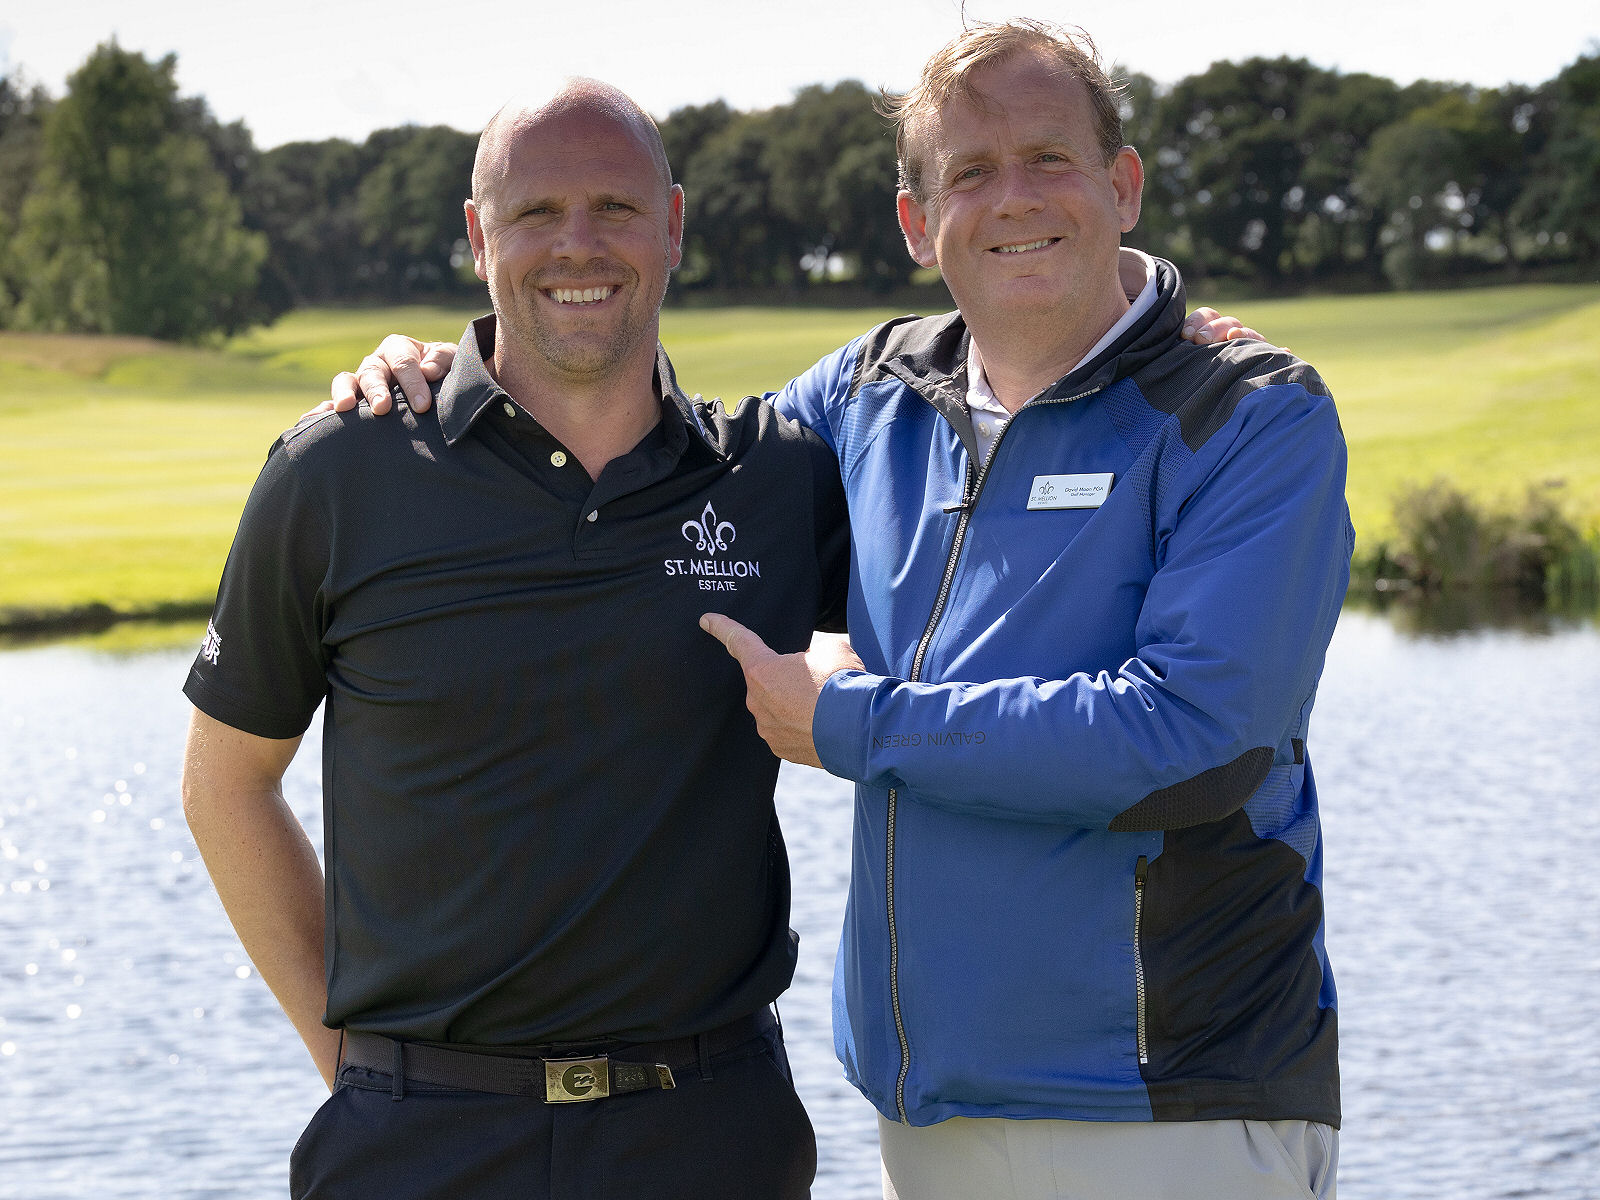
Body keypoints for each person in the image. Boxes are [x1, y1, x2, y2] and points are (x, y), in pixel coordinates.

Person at [181, 80, 851, 1200]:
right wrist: (347, 1061)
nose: (577, 245)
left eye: (616, 208)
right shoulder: (339, 470)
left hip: (711, 1135)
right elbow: (226, 785)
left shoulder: (778, 475)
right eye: (537, 212)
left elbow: (982, 400)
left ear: (674, 225)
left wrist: (1156, 313)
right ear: (478, 235)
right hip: (416, 1142)